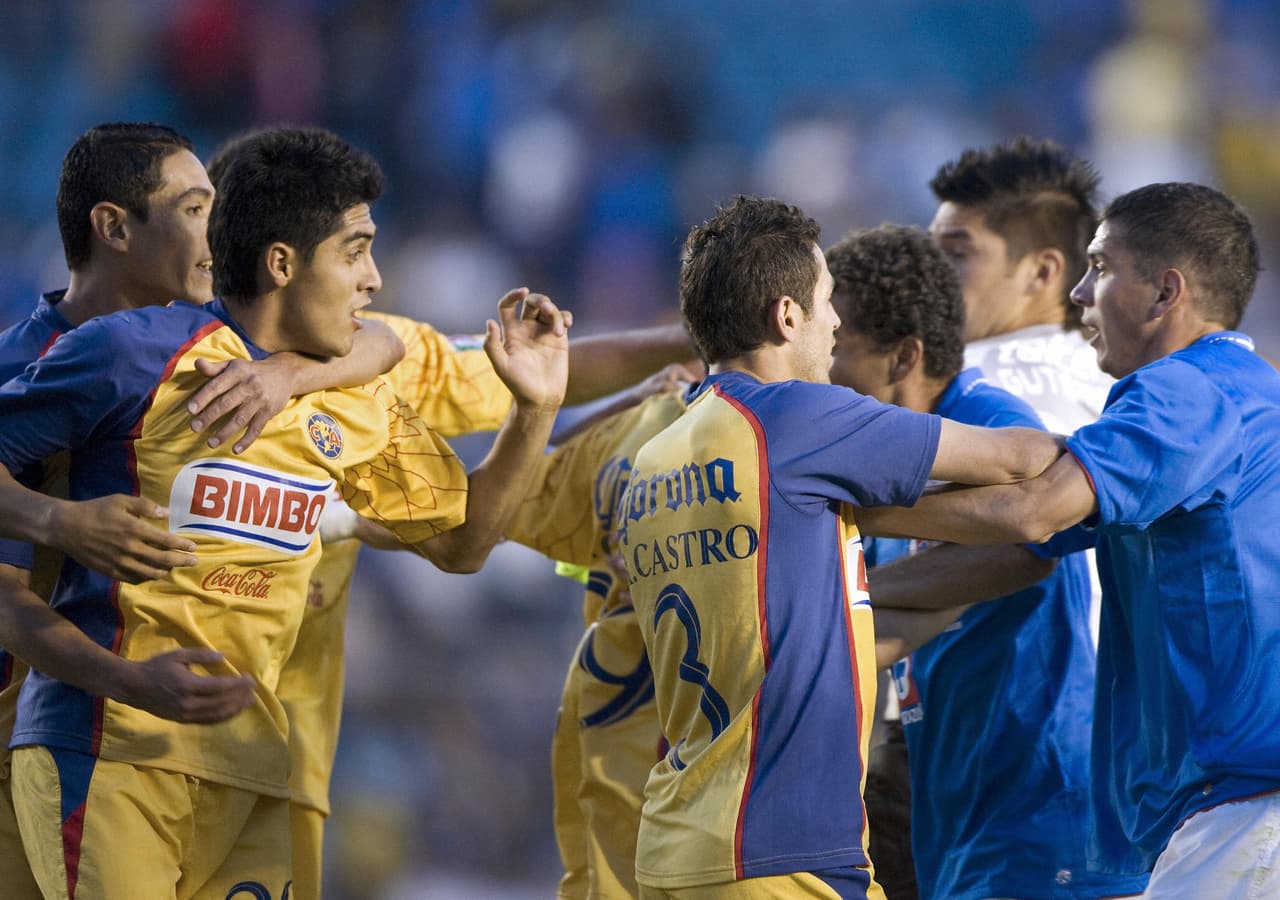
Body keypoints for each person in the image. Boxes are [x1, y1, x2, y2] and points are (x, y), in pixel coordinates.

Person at [0, 126, 570, 899]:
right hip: (108, 747)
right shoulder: (127, 354)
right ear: (280, 264)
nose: (373, 279)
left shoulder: (351, 395)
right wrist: (59, 524)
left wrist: (535, 410)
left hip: (253, 769)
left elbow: (466, 544)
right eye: (355, 250)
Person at [615, 195, 1061, 899]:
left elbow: (817, 631)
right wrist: (1118, 454)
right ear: (785, 315)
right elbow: (1018, 459)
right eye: (825, 300)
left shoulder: (653, 459)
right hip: (780, 850)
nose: (836, 321)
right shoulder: (795, 417)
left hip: (676, 851)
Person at [858, 182, 1278, 898]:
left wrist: (840, 504)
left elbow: (1032, 511)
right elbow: (1021, 546)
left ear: (1165, 293)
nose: (1082, 294)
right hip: (1223, 806)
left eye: (1102, 267)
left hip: (1244, 804)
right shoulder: (1236, 393)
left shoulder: (1185, 392)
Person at [826, 224, 1148, 899]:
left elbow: (1026, 552)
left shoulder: (989, 420)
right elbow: (902, 616)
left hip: (1040, 803)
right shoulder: (889, 460)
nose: (820, 369)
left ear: (904, 356)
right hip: (958, 812)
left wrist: (848, 594)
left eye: (837, 346)